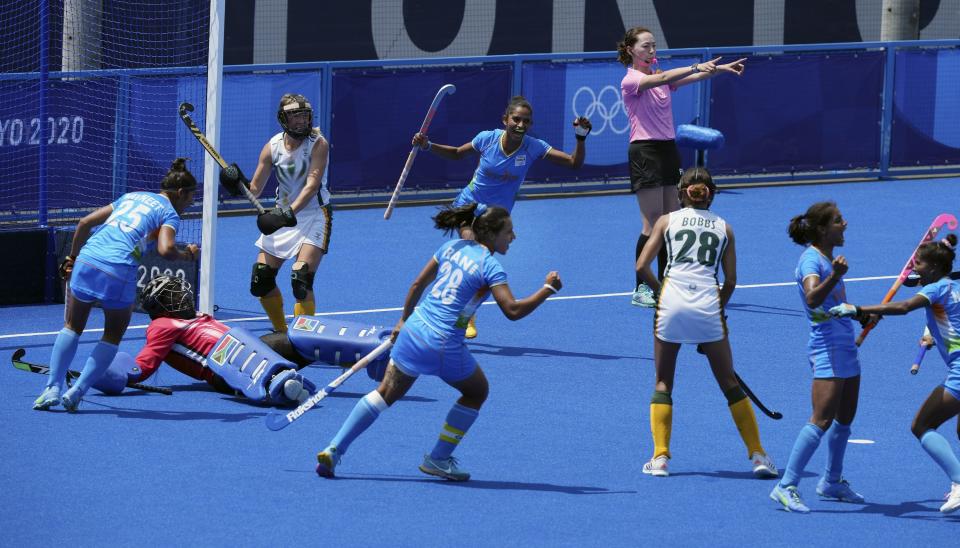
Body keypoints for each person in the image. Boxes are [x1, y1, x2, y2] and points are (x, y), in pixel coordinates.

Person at [315, 203, 561, 481]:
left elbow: (416, 285)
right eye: (509, 232)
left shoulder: (452, 248)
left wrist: (402, 321)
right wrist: (547, 289)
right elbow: (513, 310)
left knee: (385, 393)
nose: (513, 237)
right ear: (491, 234)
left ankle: (334, 449)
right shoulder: (491, 266)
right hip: (443, 343)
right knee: (477, 391)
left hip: (414, 331)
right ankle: (439, 458)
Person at [635, 167, 777, 479]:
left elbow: (642, 266)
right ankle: (758, 456)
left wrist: (662, 295)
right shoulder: (725, 228)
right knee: (729, 382)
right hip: (708, 305)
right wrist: (717, 312)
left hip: (671, 303)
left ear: (681, 193)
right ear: (711, 194)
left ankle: (660, 458)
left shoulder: (666, 221)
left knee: (663, 382)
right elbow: (731, 282)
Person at [411, 95, 589, 338]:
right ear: (505, 119)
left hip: (495, 219)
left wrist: (580, 137)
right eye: (516, 119)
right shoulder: (487, 139)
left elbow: (573, 163)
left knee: (481, 272)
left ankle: (465, 315)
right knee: (474, 253)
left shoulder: (533, 147)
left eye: (526, 121)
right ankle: (438, 310)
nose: (521, 125)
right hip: (469, 207)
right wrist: (428, 145)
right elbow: (456, 153)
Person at [33, 158, 199, 412]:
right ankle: (77, 392)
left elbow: (84, 223)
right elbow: (166, 250)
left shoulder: (131, 196)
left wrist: (71, 258)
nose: (190, 203)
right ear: (180, 193)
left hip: (87, 260)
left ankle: (51, 388)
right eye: (190, 198)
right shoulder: (169, 214)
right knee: (112, 336)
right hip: (118, 269)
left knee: (72, 326)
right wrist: (187, 255)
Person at [91, 275, 393, 406]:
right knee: (269, 342)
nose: (181, 295)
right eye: (171, 295)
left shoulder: (192, 315)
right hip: (228, 367)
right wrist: (107, 371)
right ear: (160, 307)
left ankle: (374, 350)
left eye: (177, 290)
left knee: (302, 334)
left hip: (247, 346)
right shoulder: (161, 326)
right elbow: (143, 366)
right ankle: (281, 385)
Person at [829, 234, 960, 514]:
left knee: (922, 425)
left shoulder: (936, 290)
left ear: (935, 268)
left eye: (919, 264)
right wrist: (931, 334)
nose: (914, 269)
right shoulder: (951, 287)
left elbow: (903, 307)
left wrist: (859, 309)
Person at [617, 27, 746, 307]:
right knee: (652, 223)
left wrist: (721, 68)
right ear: (630, 50)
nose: (652, 51)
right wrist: (696, 64)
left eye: (654, 46)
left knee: (670, 221)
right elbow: (669, 76)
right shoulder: (631, 80)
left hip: (667, 150)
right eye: (645, 47)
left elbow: (692, 76)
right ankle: (642, 289)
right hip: (645, 152)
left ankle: (666, 283)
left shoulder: (659, 77)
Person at [768, 202, 868, 514]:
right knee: (821, 419)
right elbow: (813, 298)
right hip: (827, 346)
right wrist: (835, 275)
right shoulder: (812, 260)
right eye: (839, 221)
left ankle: (831, 481)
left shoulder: (826, 258)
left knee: (845, 418)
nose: (845, 224)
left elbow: (836, 303)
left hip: (844, 344)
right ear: (823, 229)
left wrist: (861, 315)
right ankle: (786, 486)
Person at [221, 93, 332, 334]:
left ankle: (304, 338)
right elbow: (255, 190)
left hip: (313, 215)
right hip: (285, 215)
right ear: (283, 119)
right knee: (261, 279)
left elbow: (312, 187)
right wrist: (235, 182)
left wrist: (285, 214)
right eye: (295, 116)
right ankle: (282, 333)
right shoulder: (272, 147)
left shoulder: (318, 143)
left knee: (301, 278)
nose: (301, 121)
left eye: (304, 115)